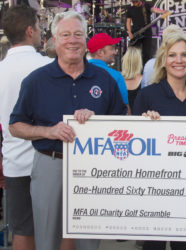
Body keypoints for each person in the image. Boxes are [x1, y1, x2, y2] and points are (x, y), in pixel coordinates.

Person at [9, 10, 127, 250]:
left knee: (88, 239)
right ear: (53, 39)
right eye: (65, 35)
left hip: (93, 166)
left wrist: (98, 123)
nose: (72, 40)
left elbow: (122, 121)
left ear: (86, 39)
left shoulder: (104, 79)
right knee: (47, 239)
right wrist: (48, 131)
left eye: (78, 34)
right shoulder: (36, 81)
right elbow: (15, 126)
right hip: (50, 163)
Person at [133, 25, 186, 250]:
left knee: (184, 246)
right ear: (163, 60)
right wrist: (145, 124)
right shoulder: (147, 95)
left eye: (184, 55)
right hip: (155, 188)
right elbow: (134, 142)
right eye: (172, 55)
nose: (178, 60)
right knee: (154, 245)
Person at [0, 5, 53, 250]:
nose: (42, 31)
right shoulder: (47, 67)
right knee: (58, 229)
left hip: (13, 161)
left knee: (22, 229)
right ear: (30, 30)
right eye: (40, 26)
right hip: (50, 159)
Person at [87, 32, 130, 114]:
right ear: (100, 52)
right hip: (109, 125)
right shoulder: (116, 76)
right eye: (112, 48)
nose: (115, 52)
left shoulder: (80, 73)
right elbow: (125, 109)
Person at [126, 0, 165, 65]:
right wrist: (129, 33)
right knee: (135, 53)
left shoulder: (146, 5)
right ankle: (136, 69)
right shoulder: (130, 9)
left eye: (135, 2)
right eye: (133, 2)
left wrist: (162, 11)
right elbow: (128, 22)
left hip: (147, 32)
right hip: (136, 33)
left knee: (147, 53)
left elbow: (154, 9)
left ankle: (145, 68)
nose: (134, 4)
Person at [121, 46, 143, 111]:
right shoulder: (144, 80)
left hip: (120, 118)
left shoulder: (118, 79)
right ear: (139, 61)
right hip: (139, 118)